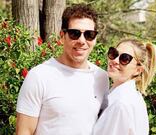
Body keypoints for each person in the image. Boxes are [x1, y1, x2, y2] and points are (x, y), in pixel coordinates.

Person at [16, 4, 109, 135]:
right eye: (74, 33)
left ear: (95, 38)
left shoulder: (102, 77)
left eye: (89, 34)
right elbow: (24, 131)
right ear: (62, 35)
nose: (82, 41)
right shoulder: (39, 76)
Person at [93, 39, 156, 135]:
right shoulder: (133, 97)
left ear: (138, 70)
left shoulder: (121, 104)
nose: (115, 61)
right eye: (114, 54)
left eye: (124, 58)